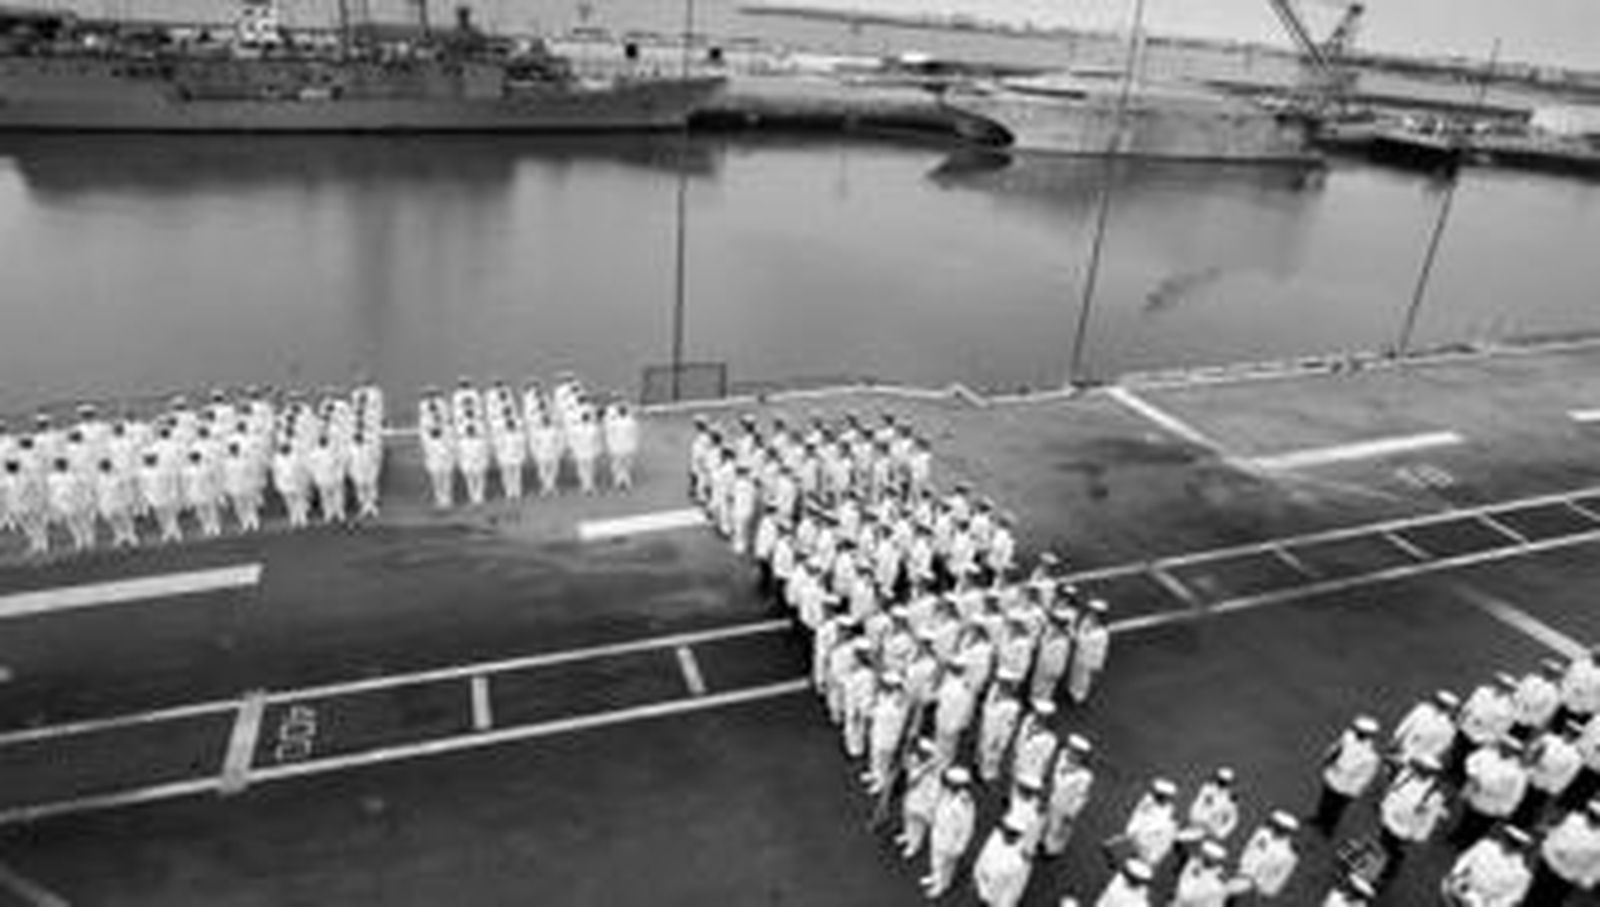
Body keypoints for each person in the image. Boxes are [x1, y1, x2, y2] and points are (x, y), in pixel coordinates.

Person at [1376, 755, 1448, 885]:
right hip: (1388, 820)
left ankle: (1384, 876)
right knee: (1381, 846)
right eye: (1419, 767)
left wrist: (1417, 837)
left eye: (1424, 769)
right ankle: (1372, 867)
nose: (1419, 771)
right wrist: (1384, 807)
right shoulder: (1406, 775)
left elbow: (1429, 820)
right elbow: (1393, 790)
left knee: (1393, 856)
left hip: (1404, 832)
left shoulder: (1434, 795)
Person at [1310, 716, 1381, 836]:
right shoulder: (1347, 738)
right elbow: (1335, 749)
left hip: (1346, 787)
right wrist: (1327, 759)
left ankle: (1328, 827)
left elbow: (1364, 778)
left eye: (1360, 732)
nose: (1357, 732)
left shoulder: (1371, 757)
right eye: (1357, 730)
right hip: (1333, 776)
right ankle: (1319, 819)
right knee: (1325, 801)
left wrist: (1352, 791)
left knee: (1336, 809)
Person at [1454, 737, 1529, 848]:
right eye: (1503, 746)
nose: (1504, 749)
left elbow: (1516, 794)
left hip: (1493, 803)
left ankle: (1467, 844)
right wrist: (1474, 776)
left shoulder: (1518, 772)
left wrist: (1505, 809)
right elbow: (1471, 761)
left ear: (1514, 753)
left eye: (1508, 749)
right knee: (1467, 816)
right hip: (1476, 792)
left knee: (1479, 825)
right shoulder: (1488, 754)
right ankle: (1456, 836)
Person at [1526, 799, 1600, 904]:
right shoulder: (1573, 820)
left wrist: (1587, 879)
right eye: (1591, 815)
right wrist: (1547, 852)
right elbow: (1555, 837)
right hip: (1549, 864)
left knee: (1551, 900)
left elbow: (1597, 865)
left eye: (1596, 818)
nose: (1592, 819)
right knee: (1533, 894)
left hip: (1568, 875)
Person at [1441, 824, 1533, 906]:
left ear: (1522, 848)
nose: (1508, 845)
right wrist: (1455, 874)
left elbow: (1511, 898)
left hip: (1481, 902)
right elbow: (1465, 859)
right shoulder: (1485, 846)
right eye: (1508, 839)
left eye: (1515, 844)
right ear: (1503, 838)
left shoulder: (1521, 873)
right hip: (1462, 886)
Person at [1517, 719, 1584, 827]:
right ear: (1564, 730)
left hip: (1549, 782)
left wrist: (1555, 787)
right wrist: (1530, 765)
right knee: (1522, 798)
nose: (1569, 735)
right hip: (1534, 772)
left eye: (1573, 735)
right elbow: (1533, 749)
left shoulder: (1575, 756)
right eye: (1568, 731)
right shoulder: (1549, 739)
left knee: (1535, 806)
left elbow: (1567, 775)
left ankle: (1524, 824)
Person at [924, 766, 977, 898]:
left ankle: (940, 886)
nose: (946, 786)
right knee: (936, 858)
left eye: (950, 784)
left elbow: (967, 827)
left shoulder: (964, 803)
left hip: (951, 838)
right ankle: (935, 877)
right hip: (939, 830)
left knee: (946, 863)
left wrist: (961, 845)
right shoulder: (946, 793)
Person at [1043, 735, 1095, 856]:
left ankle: (1052, 849)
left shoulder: (1085, 776)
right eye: (1071, 750)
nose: (1071, 755)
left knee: (1058, 827)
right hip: (1052, 795)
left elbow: (1081, 796)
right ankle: (1040, 839)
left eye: (1076, 754)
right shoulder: (1062, 757)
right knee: (1045, 819)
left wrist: (1072, 812)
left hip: (1065, 804)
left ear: (1082, 757)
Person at [1234, 810, 1299, 900]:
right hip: (1242, 874)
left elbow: (1280, 876)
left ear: (1288, 832)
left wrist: (1265, 891)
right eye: (1276, 825)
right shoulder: (1262, 834)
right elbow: (1249, 848)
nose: (1275, 829)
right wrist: (1241, 865)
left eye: (1281, 828)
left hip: (1257, 888)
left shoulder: (1289, 853)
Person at [1118, 778, 1180, 870]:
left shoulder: (1169, 809)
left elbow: (1164, 834)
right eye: (1159, 795)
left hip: (1150, 848)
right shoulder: (1147, 802)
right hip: (1136, 841)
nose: (1160, 798)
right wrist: (1130, 836)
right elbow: (1136, 820)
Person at [864, 673, 911, 796]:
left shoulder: (899, 702)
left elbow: (884, 714)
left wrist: (872, 711)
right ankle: (874, 774)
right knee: (875, 756)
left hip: (888, 736)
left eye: (886, 685)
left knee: (884, 761)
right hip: (878, 730)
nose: (883, 687)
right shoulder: (884, 695)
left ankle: (881, 782)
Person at [1392, 689, 1460, 771]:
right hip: (1405, 754)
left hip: (1417, 763)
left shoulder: (1449, 728)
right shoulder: (1423, 710)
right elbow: (1405, 726)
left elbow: (1439, 749)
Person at [899, 737, 944, 859]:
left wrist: (930, 808)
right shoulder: (917, 763)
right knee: (908, 818)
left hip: (922, 803)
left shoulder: (934, 773)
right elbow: (906, 767)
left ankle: (914, 845)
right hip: (911, 797)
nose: (916, 756)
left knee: (918, 825)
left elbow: (933, 791)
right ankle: (907, 835)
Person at [973, 815, 1033, 907]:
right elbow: (979, 867)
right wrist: (984, 894)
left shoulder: (1023, 857)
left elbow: (1015, 888)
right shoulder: (994, 841)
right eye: (1006, 830)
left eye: (1013, 833)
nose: (1008, 835)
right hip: (984, 894)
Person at [978, 679, 1024, 783]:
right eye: (1003, 685)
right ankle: (982, 767)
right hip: (988, 725)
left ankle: (988, 772)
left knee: (993, 753)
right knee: (983, 747)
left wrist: (1000, 738)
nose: (1003, 688)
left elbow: (1009, 725)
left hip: (998, 732)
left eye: (1007, 687)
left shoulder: (1012, 706)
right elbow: (987, 706)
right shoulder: (994, 694)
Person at [1068, 599, 1110, 704]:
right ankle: (1073, 688)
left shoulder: (1101, 632)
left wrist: (1072, 634)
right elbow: (1081, 631)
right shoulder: (1087, 620)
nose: (1090, 614)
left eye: (1093, 612)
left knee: (1084, 676)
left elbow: (1083, 641)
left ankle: (1080, 695)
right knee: (1076, 670)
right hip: (1081, 652)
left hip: (1089, 656)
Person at [1185, 767, 1240, 843]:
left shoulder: (1230, 799)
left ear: (1229, 783)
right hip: (1197, 825)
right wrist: (1193, 820)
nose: (1221, 783)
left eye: (1225, 782)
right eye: (1220, 780)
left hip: (1212, 832)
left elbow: (1233, 819)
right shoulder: (1207, 789)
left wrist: (1222, 832)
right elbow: (1197, 804)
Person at [48, 457, 93, 551]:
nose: (59, 467)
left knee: (82, 521)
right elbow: (52, 491)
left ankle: (88, 540)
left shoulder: (74, 477)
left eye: (61, 465)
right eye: (58, 466)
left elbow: (83, 488)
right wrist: (54, 503)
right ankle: (79, 539)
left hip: (76, 501)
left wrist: (86, 500)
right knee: (71, 522)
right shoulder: (52, 478)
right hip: (63, 503)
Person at [1171, 840, 1229, 907]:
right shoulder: (1193, 864)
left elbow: (1218, 894)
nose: (1203, 856)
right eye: (1204, 854)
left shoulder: (1219, 875)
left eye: (1209, 856)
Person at [95, 457, 137, 548]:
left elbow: (127, 489)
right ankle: (120, 537)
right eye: (102, 467)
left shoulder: (118, 476)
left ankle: (131, 537)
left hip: (120, 502)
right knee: (114, 522)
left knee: (126, 521)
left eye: (105, 466)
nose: (103, 469)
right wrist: (101, 506)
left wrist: (130, 501)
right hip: (107, 504)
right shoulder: (100, 478)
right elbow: (99, 493)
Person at [272, 443, 311, 528]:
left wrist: (304, 482)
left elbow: (303, 470)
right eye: (283, 450)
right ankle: (294, 518)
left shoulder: (296, 457)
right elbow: (276, 473)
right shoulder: (277, 459)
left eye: (286, 449)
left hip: (297, 483)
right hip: (284, 484)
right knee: (289, 503)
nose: (284, 451)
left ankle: (302, 518)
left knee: (300, 501)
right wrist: (277, 485)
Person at [605, 402, 639, 491]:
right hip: (628, 447)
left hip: (617, 448)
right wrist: (634, 446)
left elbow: (609, 435)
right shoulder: (632, 422)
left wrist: (609, 446)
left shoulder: (613, 423)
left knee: (618, 466)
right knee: (626, 466)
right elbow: (635, 435)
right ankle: (625, 482)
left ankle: (620, 482)